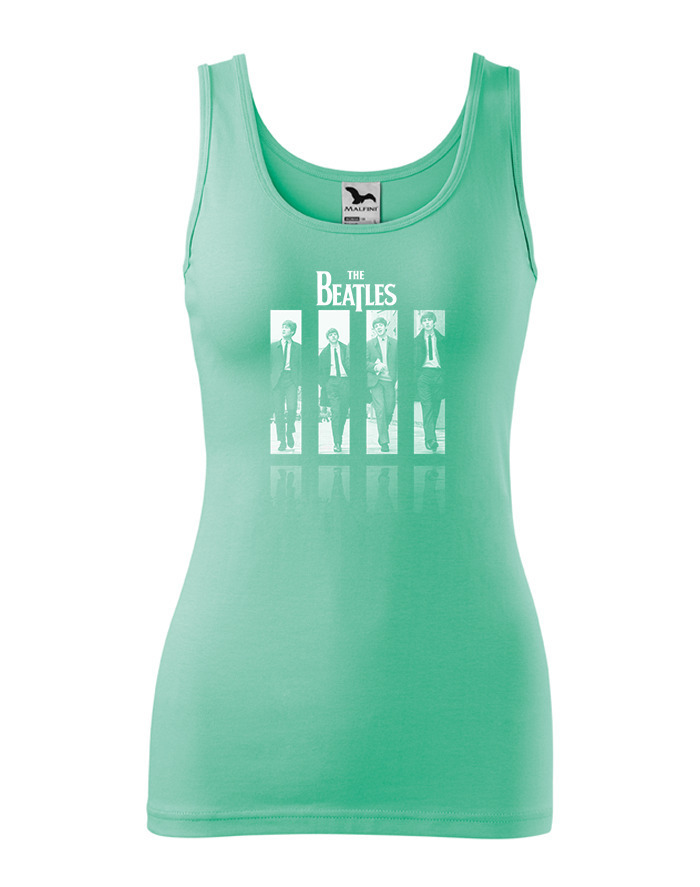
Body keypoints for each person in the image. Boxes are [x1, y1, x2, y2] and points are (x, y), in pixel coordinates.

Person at [413, 311, 446, 451]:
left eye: (429, 320)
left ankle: (431, 438)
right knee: (427, 407)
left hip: (439, 375)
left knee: (435, 408)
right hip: (424, 375)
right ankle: (431, 440)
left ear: (434, 322)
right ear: (422, 324)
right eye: (424, 320)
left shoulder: (442, 339)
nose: (427, 322)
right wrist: (417, 377)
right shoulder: (416, 341)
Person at [366, 316, 397, 452]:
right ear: (374, 329)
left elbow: (400, 363)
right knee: (380, 410)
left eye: (380, 325)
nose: (378, 328)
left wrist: (398, 380)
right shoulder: (369, 344)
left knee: (389, 410)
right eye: (376, 326)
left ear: (386, 327)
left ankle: (383, 432)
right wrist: (374, 366)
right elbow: (364, 362)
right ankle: (384, 442)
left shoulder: (395, 343)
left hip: (390, 382)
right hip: (376, 382)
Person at [318, 327, 350, 453]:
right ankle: (337, 442)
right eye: (330, 334)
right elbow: (318, 371)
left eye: (335, 334)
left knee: (343, 412)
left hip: (345, 382)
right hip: (331, 383)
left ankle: (339, 436)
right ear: (328, 338)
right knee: (336, 412)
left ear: (338, 336)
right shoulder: (324, 353)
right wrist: (324, 384)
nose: (333, 336)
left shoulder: (346, 349)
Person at [271, 319, 301, 451]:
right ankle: (282, 440)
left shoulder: (298, 347)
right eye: (282, 327)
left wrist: (299, 384)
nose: (283, 329)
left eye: (287, 327)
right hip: (277, 382)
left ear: (292, 332)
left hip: (291, 380)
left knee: (292, 408)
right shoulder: (273, 346)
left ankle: (289, 432)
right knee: (278, 412)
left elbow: (300, 367)